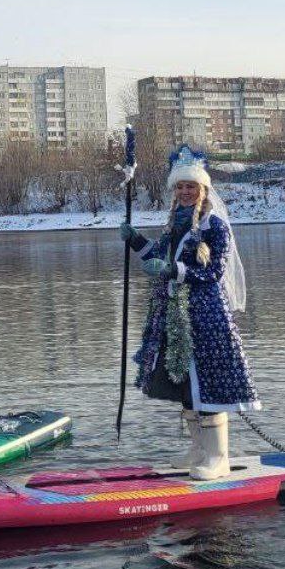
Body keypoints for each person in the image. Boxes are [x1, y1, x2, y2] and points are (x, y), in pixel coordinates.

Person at [120, 146, 260, 480]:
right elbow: (160, 254)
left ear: (203, 188)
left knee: (207, 382)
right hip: (174, 314)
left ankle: (217, 457)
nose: (184, 191)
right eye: (180, 186)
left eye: (191, 186)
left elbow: (212, 272)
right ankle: (197, 450)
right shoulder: (174, 224)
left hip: (205, 316)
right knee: (185, 383)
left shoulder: (215, 227)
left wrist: (173, 270)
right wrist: (136, 240)